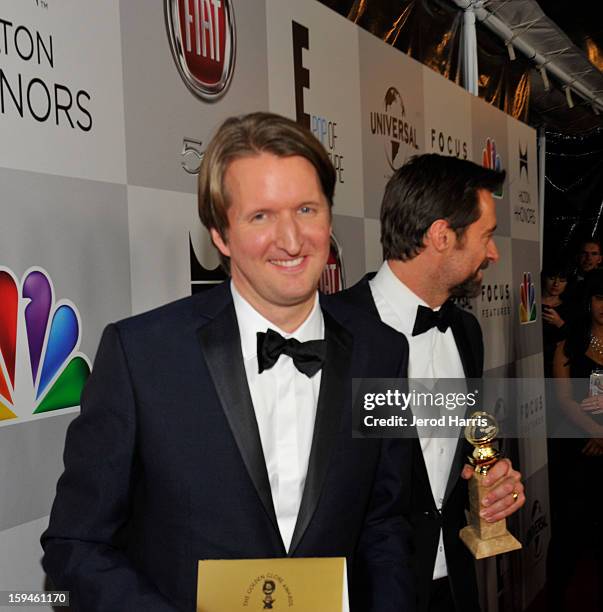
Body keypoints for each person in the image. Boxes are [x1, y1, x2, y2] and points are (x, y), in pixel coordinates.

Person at [41, 113, 414, 612]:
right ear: (220, 234)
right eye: (260, 216)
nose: (290, 239)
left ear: (329, 215)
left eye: (307, 209)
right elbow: (76, 546)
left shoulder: (382, 353)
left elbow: (386, 523)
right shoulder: (142, 356)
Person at [335, 154, 525, 612]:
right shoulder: (333, 332)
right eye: (487, 236)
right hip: (368, 594)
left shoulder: (466, 331)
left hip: (455, 586)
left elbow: (450, 455)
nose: (494, 253)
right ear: (442, 236)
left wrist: (488, 482)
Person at [548, 269, 603, 611]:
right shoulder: (569, 340)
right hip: (576, 449)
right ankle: (555, 599)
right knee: (569, 531)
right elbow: (564, 398)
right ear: (589, 300)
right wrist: (597, 433)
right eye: (600, 297)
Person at [541, 262, 572, 377]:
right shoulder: (531, 304)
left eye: (562, 280)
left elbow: (576, 339)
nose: (556, 284)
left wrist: (560, 323)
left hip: (558, 366)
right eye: (552, 278)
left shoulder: (570, 307)